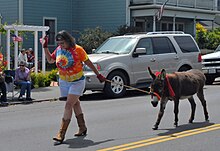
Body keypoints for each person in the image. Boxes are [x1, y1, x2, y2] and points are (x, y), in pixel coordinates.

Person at [42, 30, 106, 143]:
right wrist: (45, 47)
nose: (60, 45)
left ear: (68, 40)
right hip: (64, 81)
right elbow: (50, 60)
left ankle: (61, 134)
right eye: (58, 43)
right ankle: (82, 127)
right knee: (75, 103)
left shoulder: (78, 49)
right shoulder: (59, 50)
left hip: (77, 81)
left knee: (68, 105)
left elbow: (88, 62)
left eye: (62, 43)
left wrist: (98, 75)